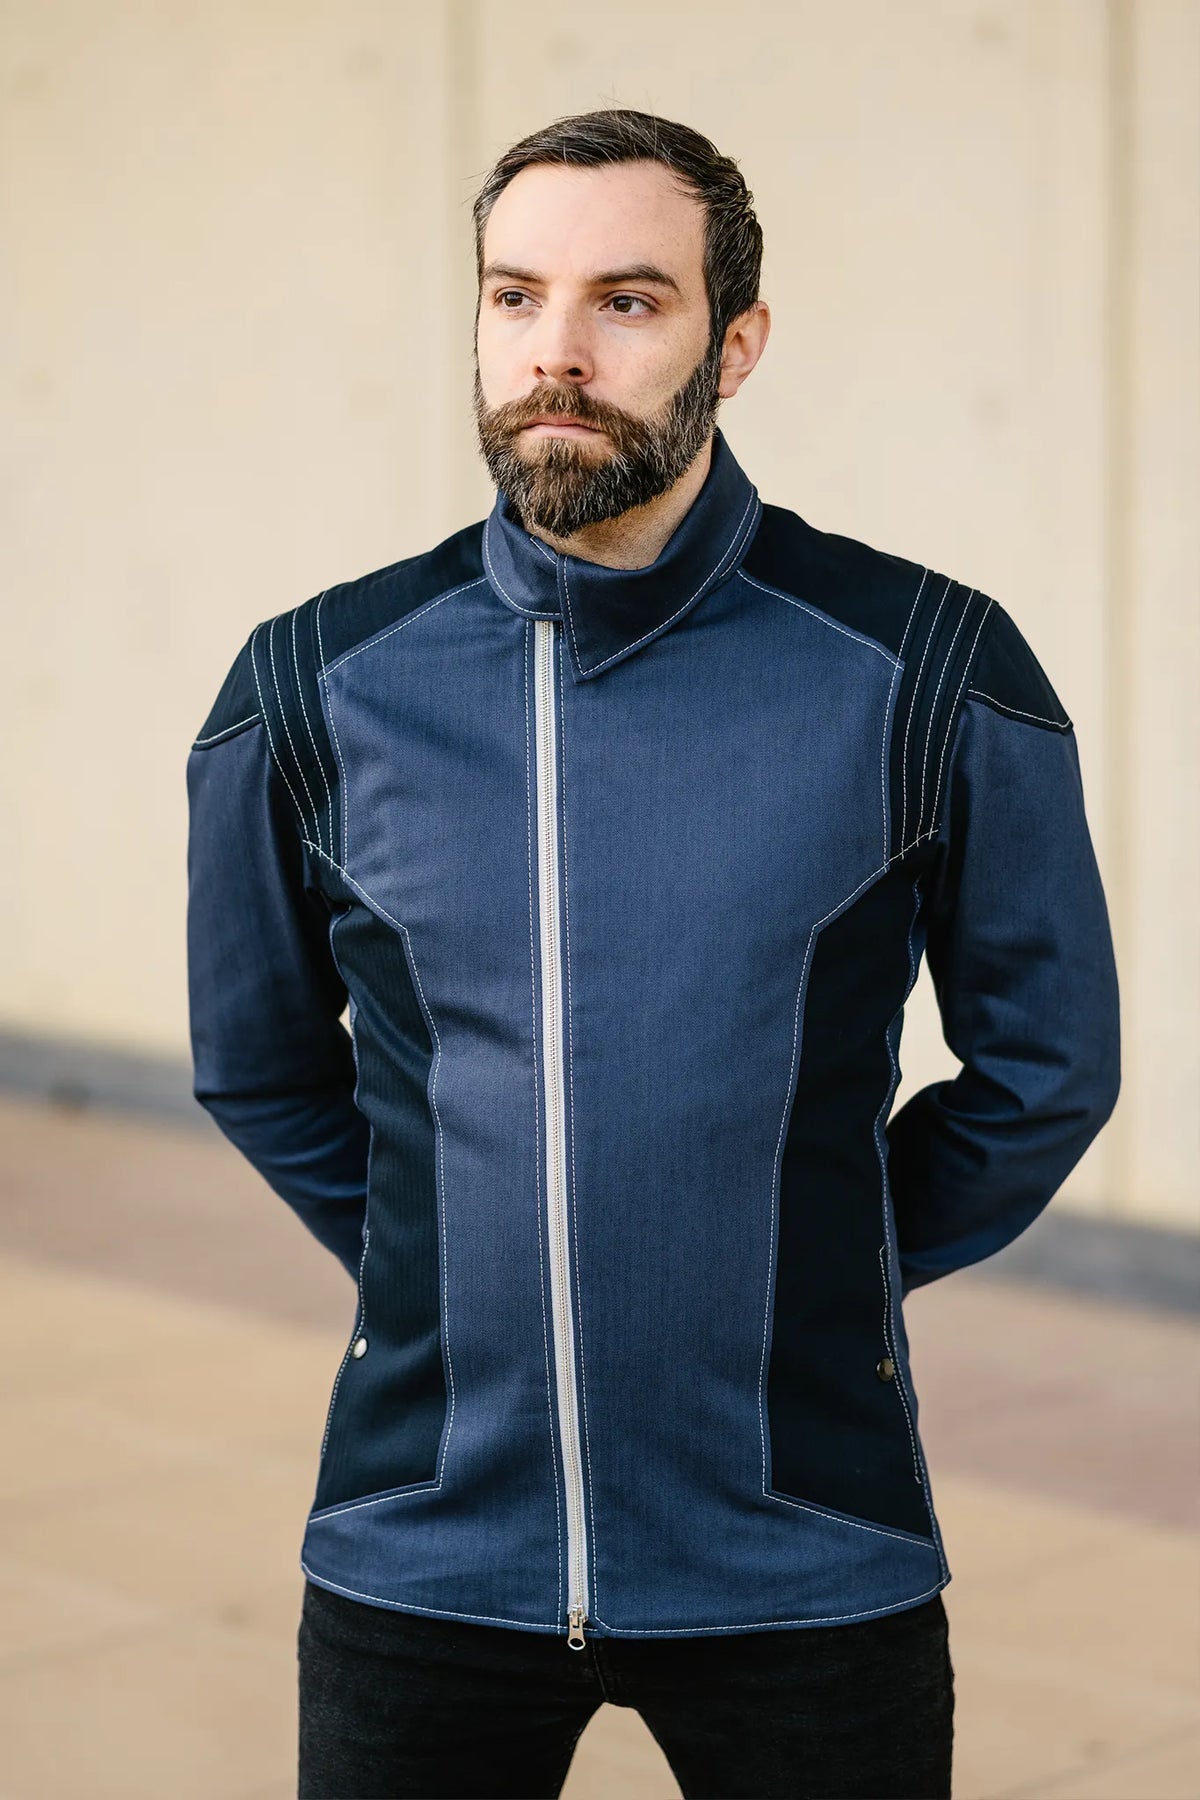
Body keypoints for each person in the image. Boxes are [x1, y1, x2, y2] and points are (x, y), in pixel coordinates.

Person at [186, 107, 1121, 1800]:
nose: (557, 349)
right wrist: (432, 1265)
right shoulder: (313, 684)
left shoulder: (925, 665)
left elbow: (1049, 1068)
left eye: (627, 301)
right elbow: (257, 1064)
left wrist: (821, 1263)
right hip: (424, 1549)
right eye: (515, 296)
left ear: (734, 345)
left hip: (804, 1548)